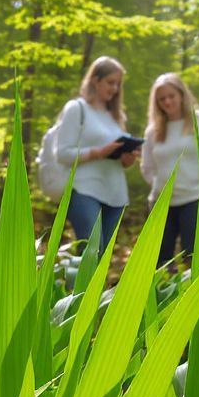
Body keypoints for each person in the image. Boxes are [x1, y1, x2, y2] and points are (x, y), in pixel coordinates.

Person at [140, 72, 199, 267]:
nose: (167, 102)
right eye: (162, 99)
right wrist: (158, 186)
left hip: (196, 199)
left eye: (171, 96)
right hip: (162, 202)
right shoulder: (153, 131)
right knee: (160, 261)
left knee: (194, 259)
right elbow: (147, 166)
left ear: (181, 95)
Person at [55, 55, 137, 252]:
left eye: (118, 84)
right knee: (92, 251)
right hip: (84, 189)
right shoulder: (77, 108)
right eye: (110, 82)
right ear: (95, 79)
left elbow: (121, 161)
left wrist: (127, 159)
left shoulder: (116, 116)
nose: (115, 89)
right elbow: (62, 153)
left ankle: (92, 284)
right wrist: (98, 152)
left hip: (116, 194)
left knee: (102, 259)